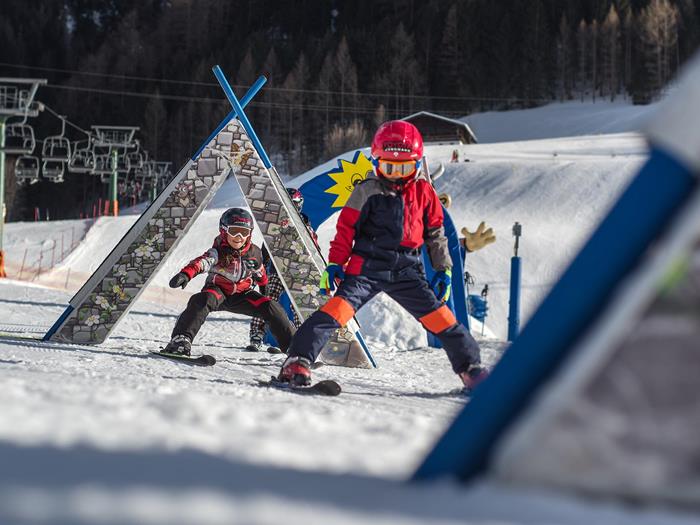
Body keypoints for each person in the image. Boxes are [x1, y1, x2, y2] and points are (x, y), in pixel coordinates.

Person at [278, 120, 488, 389]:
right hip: (366, 268)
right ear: (378, 163)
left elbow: (435, 233)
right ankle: (297, 361)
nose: (397, 175)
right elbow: (345, 230)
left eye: (406, 168)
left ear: (417, 163)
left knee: (442, 318)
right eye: (390, 167)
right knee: (335, 312)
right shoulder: (366, 190)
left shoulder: (424, 192)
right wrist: (335, 264)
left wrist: (443, 269)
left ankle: (471, 369)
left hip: (408, 270)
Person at [164, 207, 295, 356]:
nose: (239, 236)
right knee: (200, 300)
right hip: (218, 292)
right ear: (224, 231)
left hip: (243, 295)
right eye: (234, 231)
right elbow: (202, 262)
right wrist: (186, 274)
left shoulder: (254, 253)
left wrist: (264, 286)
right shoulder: (218, 251)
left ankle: (294, 349)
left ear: (250, 234)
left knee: (272, 307)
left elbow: (260, 271)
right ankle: (180, 341)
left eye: (244, 232)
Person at [246, 187, 319, 352]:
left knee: (297, 304)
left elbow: (314, 248)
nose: (288, 211)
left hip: (297, 273)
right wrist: (261, 267)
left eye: (292, 206)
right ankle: (257, 334)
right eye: (285, 206)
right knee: (268, 298)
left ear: (298, 206)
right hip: (277, 270)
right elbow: (267, 247)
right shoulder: (275, 225)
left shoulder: (305, 226)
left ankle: (300, 338)